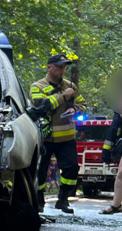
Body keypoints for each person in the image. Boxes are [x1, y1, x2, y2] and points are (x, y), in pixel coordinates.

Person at [30, 54, 86, 213]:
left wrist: (74, 109)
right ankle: (39, 199)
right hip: (44, 138)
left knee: (72, 169)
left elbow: (82, 103)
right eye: (59, 66)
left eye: (64, 66)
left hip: (67, 137)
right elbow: (42, 106)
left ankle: (63, 199)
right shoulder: (38, 86)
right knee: (41, 169)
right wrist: (64, 96)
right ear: (49, 67)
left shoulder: (71, 86)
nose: (63, 69)